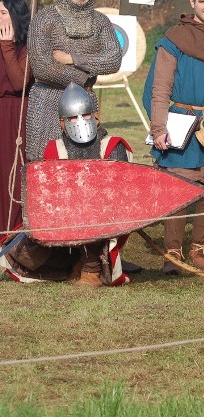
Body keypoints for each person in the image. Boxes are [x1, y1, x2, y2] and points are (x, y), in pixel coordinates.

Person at [143, 0, 204, 275]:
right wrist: (159, 128)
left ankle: (199, 249)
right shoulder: (174, 39)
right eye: (203, 2)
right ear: (192, 3)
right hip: (181, 121)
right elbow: (160, 89)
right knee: (179, 187)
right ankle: (172, 252)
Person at [0, 83, 133, 287]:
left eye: (85, 116)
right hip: (66, 219)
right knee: (21, 249)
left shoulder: (112, 147)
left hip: (104, 219)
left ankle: (92, 269)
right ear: (62, 123)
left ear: (96, 117)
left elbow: (122, 195)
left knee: (89, 213)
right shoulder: (56, 148)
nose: (79, 122)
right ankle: (73, 262)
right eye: (72, 118)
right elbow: (49, 193)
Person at [25, 0, 122, 162]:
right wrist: (84, 78)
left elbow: (113, 59)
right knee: (45, 164)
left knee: (84, 163)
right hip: (48, 101)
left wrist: (72, 58)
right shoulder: (44, 19)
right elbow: (42, 67)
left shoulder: (99, 21)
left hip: (85, 105)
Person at [0, 0, 33, 236]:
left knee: (9, 171)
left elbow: (18, 82)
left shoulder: (27, 47)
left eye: (2, 13)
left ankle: (12, 231)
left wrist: (7, 45)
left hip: (15, 114)